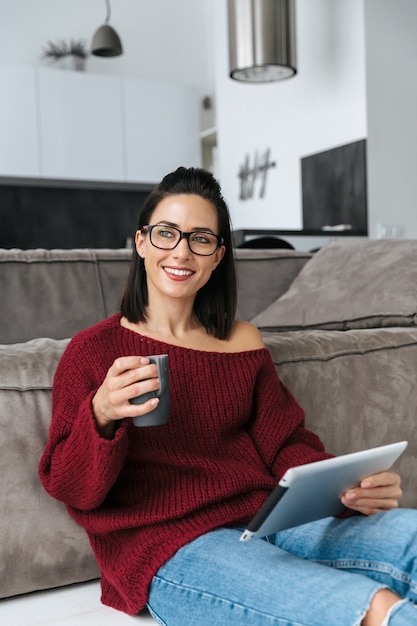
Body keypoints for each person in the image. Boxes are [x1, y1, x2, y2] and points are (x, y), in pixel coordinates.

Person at [39, 167, 417, 626]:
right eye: (166, 234)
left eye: (200, 238)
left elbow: (285, 445)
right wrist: (100, 415)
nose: (181, 251)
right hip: (172, 546)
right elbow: (71, 488)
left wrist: (346, 487)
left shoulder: (242, 342)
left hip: (271, 521)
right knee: (370, 607)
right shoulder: (93, 352)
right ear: (141, 242)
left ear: (217, 255)